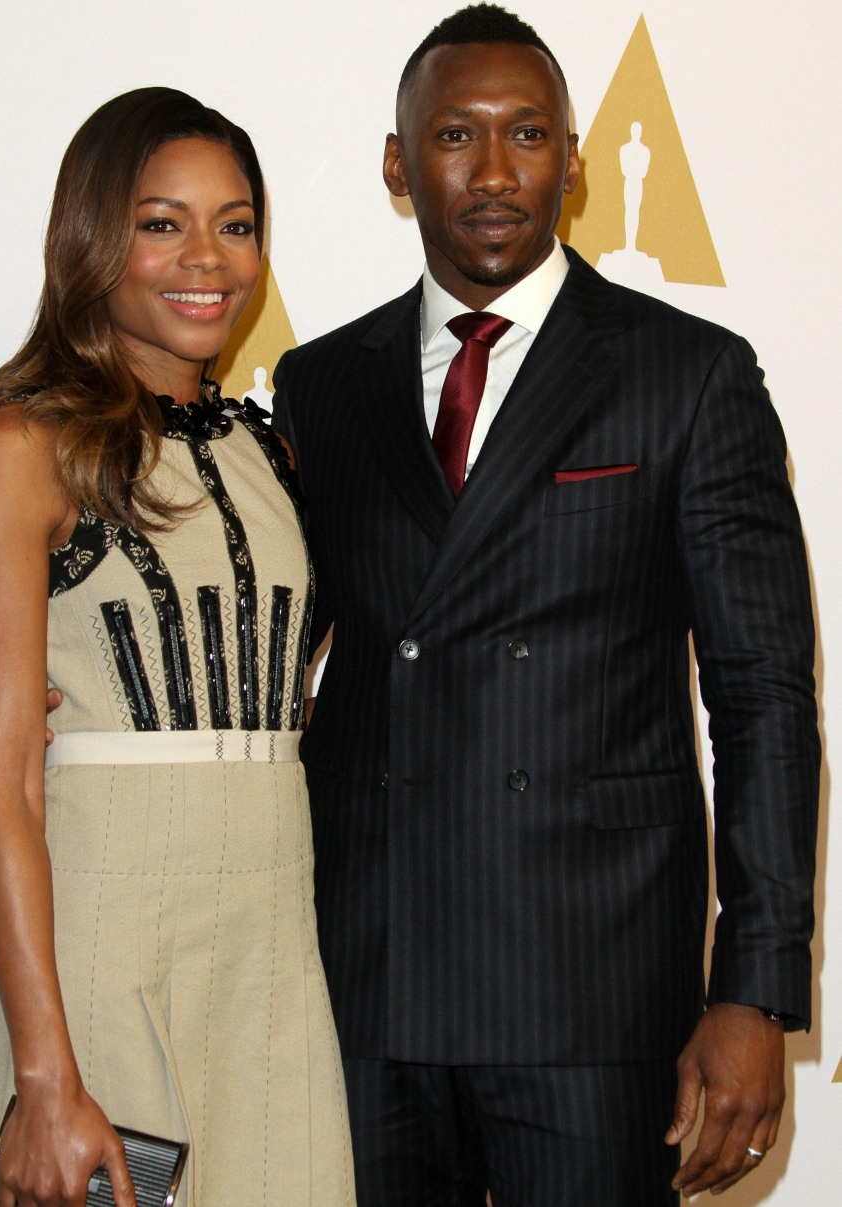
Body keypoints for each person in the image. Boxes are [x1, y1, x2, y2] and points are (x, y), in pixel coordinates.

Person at [271, 5, 820, 1205]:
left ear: (573, 162)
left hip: (591, 989)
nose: (493, 170)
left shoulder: (687, 374)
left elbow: (764, 698)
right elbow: (279, 642)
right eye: (454, 135)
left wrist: (753, 987)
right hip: (364, 975)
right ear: (396, 164)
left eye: (527, 134)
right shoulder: (320, 384)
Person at [0, 88, 354, 1207]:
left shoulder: (272, 454)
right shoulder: (20, 444)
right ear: (92, 237)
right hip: (101, 941)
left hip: (271, 944)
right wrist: (43, 1076)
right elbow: (3, 784)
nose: (207, 258)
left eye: (235, 223)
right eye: (161, 223)